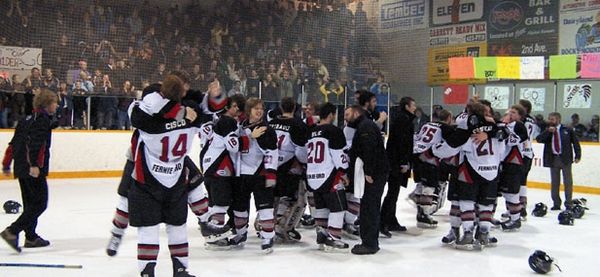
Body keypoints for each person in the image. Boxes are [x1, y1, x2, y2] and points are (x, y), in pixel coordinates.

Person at [127, 74, 200, 276]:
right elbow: (204, 109)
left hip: (147, 180)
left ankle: (147, 271)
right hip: (176, 179)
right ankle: (180, 268)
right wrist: (183, 111)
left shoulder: (148, 124)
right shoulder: (192, 118)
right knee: (177, 227)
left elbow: (136, 112)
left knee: (148, 228)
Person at [1, 89, 58, 253]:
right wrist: (34, 165)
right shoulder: (41, 120)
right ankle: (12, 231)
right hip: (32, 167)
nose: (56, 105)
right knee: (40, 203)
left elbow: (14, 144)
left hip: (21, 166)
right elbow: (35, 144)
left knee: (30, 204)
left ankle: (31, 237)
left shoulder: (26, 119)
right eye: (54, 102)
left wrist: (6, 164)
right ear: (47, 104)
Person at [231, 98, 279, 253]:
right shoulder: (240, 127)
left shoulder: (267, 129)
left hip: (260, 173)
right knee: (239, 207)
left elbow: (272, 151)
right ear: (248, 110)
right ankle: (240, 234)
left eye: (261, 108)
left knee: (265, 207)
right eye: (255, 108)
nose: (259, 111)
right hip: (241, 174)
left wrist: (271, 173)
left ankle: (267, 237)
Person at [345, 105, 389, 255]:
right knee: (369, 207)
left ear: (356, 112)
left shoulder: (365, 127)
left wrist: (369, 172)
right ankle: (369, 241)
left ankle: (369, 244)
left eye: (347, 113)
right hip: (374, 173)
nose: (345, 116)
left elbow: (369, 150)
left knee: (369, 208)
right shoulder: (364, 125)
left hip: (374, 174)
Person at [306, 103, 350, 251]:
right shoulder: (334, 131)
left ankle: (322, 234)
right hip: (329, 176)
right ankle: (334, 237)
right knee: (339, 207)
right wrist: (344, 172)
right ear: (331, 114)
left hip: (312, 176)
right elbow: (338, 155)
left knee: (322, 207)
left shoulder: (311, 131)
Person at [268, 97, 308, 242]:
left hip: (271, 166)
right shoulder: (297, 124)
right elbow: (301, 152)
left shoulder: (271, 123)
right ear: (294, 108)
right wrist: (303, 163)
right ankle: (282, 227)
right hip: (289, 167)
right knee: (292, 198)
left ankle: (266, 225)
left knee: (273, 197)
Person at [381, 96, 416, 236]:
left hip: (395, 161)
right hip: (396, 162)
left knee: (394, 192)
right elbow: (401, 143)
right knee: (392, 192)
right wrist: (403, 162)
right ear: (407, 106)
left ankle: (390, 219)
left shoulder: (404, 119)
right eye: (413, 105)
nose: (415, 107)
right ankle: (383, 221)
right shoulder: (404, 120)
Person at [536, 112, 582, 210]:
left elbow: (575, 143)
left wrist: (578, 155)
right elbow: (539, 139)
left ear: (558, 119)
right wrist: (548, 132)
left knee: (568, 182)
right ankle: (556, 203)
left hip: (565, 159)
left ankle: (568, 203)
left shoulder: (567, 130)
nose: (550, 121)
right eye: (549, 119)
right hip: (553, 159)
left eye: (552, 119)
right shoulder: (547, 130)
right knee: (555, 182)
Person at [497, 105, 529, 232]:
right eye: (510, 112)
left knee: (512, 193)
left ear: (519, 116)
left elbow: (514, 140)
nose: (510, 114)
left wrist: (504, 128)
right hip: (503, 163)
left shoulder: (519, 125)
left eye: (514, 112)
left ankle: (516, 219)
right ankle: (512, 215)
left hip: (514, 163)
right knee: (505, 192)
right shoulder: (503, 125)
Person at [517, 99, 540, 220]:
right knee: (522, 182)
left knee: (517, 182)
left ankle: (519, 209)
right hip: (529, 153)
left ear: (525, 108)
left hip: (520, 153)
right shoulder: (533, 120)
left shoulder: (522, 120)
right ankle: (521, 207)